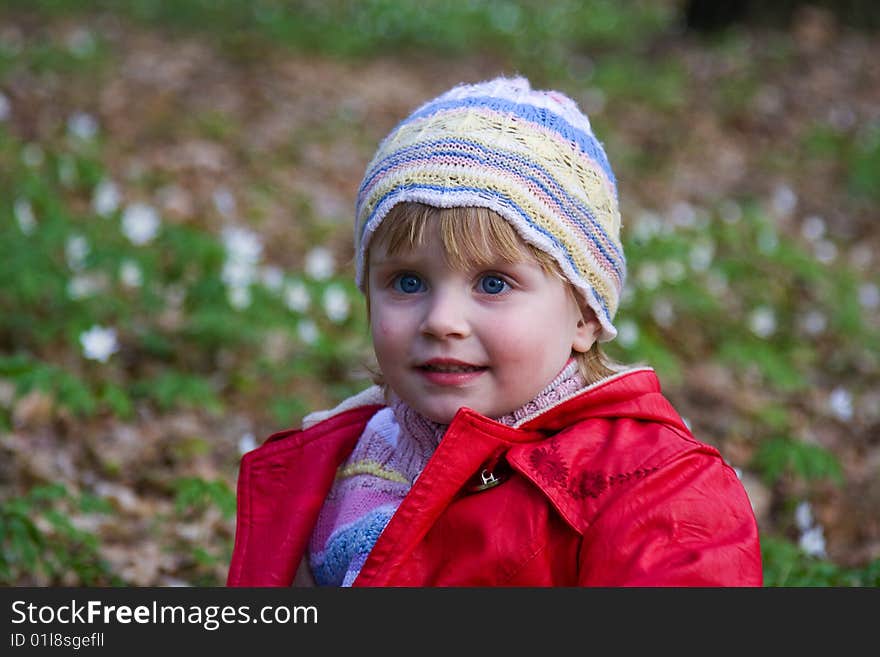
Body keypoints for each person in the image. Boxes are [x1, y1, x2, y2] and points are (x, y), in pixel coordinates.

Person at [226, 76, 763, 587]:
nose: (441, 320)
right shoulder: (343, 463)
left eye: (493, 283)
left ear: (585, 316)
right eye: (407, 281)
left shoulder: (653, 489)